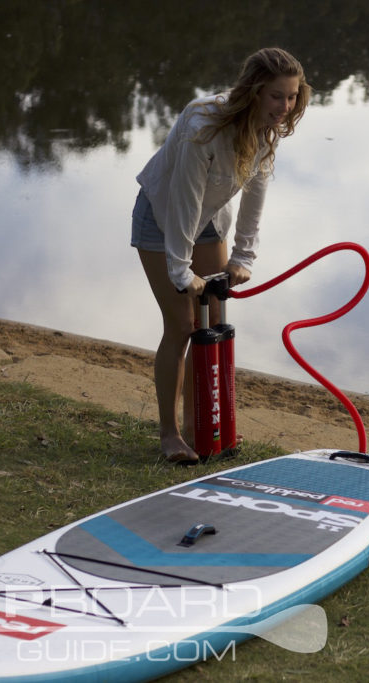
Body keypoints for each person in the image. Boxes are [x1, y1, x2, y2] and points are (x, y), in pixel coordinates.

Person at [131, 47, 310, 464]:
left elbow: (257, 188)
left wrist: (244, 256)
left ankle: (204, 427)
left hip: (208, 219)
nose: (285, 107)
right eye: (277, 97)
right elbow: (183, 202)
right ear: (253, 92)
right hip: (161, 218)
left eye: (292, 97)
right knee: (183, 325)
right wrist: (181, 270)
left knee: (214, 321)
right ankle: (170, 434)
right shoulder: (203, 127)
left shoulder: (267, 129)